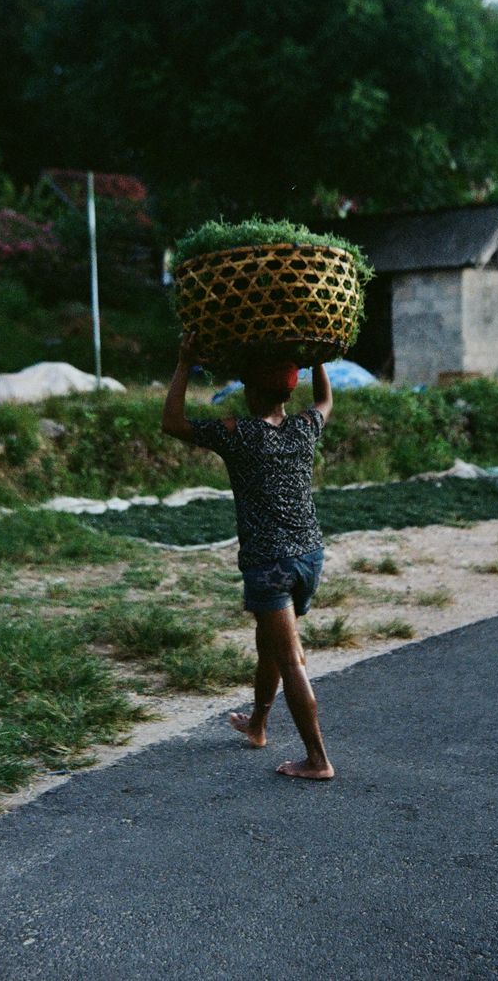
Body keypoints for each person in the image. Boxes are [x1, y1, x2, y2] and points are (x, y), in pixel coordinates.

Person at [161, 332, 335, 781]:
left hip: (269, 564)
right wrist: (318, 361)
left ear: (249, 390)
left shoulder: (239, 434)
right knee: (270, 647)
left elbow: (173, 422)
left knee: (290, 658)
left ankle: (317, 759)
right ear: (287, 391)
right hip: (309, 558)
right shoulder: (304, 427)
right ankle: (257, 724)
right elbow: (325, 401)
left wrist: (184, 363)